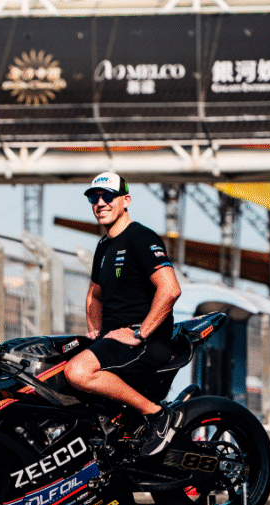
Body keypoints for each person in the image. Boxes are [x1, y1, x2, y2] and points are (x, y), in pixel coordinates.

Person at [63, 172, 183, 457]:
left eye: (108, 196)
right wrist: (96, 331)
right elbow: (95, 295)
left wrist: (141, 332)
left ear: (125, 201)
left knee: (77, 371)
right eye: (94, 198)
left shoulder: (141, 237)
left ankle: (157, 415)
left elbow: (170, 290)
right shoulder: (104, 246)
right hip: (115, 339)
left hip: (148, 341)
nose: (100, 203)